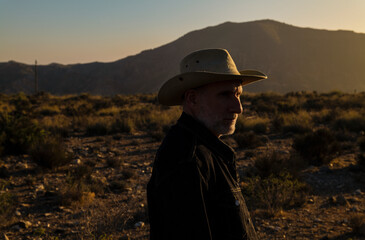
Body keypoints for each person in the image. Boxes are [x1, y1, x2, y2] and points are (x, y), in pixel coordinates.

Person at [147, 48, 267, 240]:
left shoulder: (205, 150)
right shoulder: (186, 161)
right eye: (225, 95)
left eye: (238, 94)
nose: (238, 108)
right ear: (192, 99)